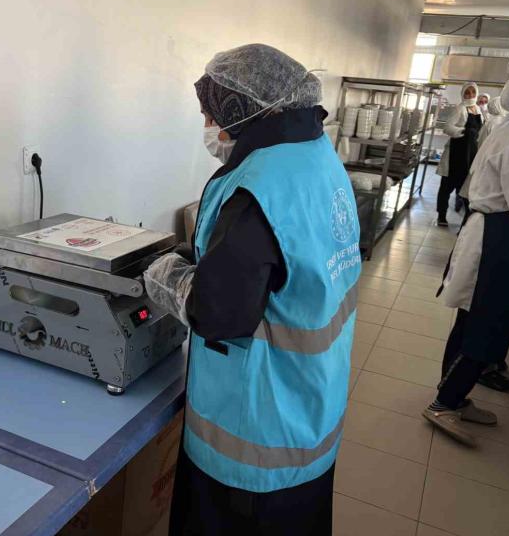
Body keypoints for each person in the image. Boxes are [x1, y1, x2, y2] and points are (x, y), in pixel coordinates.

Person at [143, 44, 361, 535]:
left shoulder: (258, 188)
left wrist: (165, 278)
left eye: (211, 115)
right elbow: (287, 259)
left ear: (241, 110)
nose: (208, 127)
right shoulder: (317, 158)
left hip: (252, 442)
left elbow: (218, 314)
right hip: (310, 405)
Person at [423, 67, 509, 447]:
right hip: (498, 243)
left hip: (498, 238)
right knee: (486, 324)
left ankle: (454, 395)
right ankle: (443, 403)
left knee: (472, 319)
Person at [436, 82, 483, 226]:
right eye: (467, 93)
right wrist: (463, 131)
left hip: (470, 154)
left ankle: (467, 219)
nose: (470, 95)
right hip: (455, 154)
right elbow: (447, 127)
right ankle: (441, 215)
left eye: (472, 92)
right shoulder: (459, 108)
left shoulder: (478, 110)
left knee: (465, 188)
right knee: (446, 188)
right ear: (463, 94)